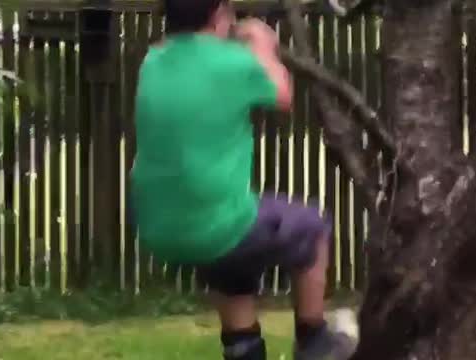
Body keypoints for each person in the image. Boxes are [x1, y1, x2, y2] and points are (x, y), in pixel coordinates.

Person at [130, 0, 357, 358]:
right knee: (312, 226)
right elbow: (283, 94)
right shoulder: (233, 64)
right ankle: (314, 338)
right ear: (219, 13)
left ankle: (243, 347)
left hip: (161, 225)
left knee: (231, 262)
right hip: (216, 224)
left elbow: (198, 69)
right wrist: (263, 45)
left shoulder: (153, 62)